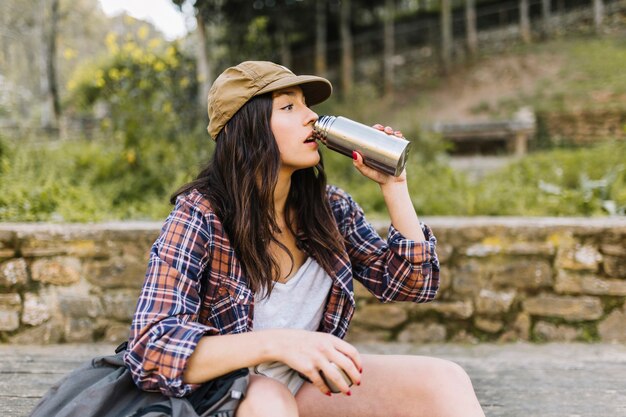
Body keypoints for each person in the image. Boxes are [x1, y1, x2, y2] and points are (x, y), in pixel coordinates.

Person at [124, 61, 485, 417]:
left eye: (307, 105)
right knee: (269, 399)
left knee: (444, 380)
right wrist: (278, 344)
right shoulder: (200, 215)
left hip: (303, 387)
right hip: (223, 397)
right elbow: (151, 348)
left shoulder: (330, 208)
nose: (311, 116)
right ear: (248, 129)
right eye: (289, 106)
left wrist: (395, 187)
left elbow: (412, 284)